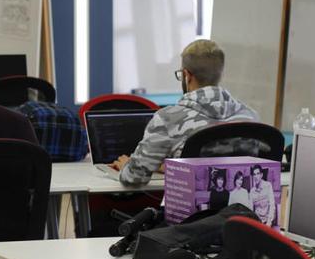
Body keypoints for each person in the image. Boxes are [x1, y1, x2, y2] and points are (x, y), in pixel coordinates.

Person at [111, 39, 258, 185]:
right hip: (243, 206)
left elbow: (134, 177)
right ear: (220, 74)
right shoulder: (250, 117)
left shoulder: (168, 119)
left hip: (190, 208)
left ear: (187, 75)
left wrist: (126, 166)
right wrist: (171, 167)